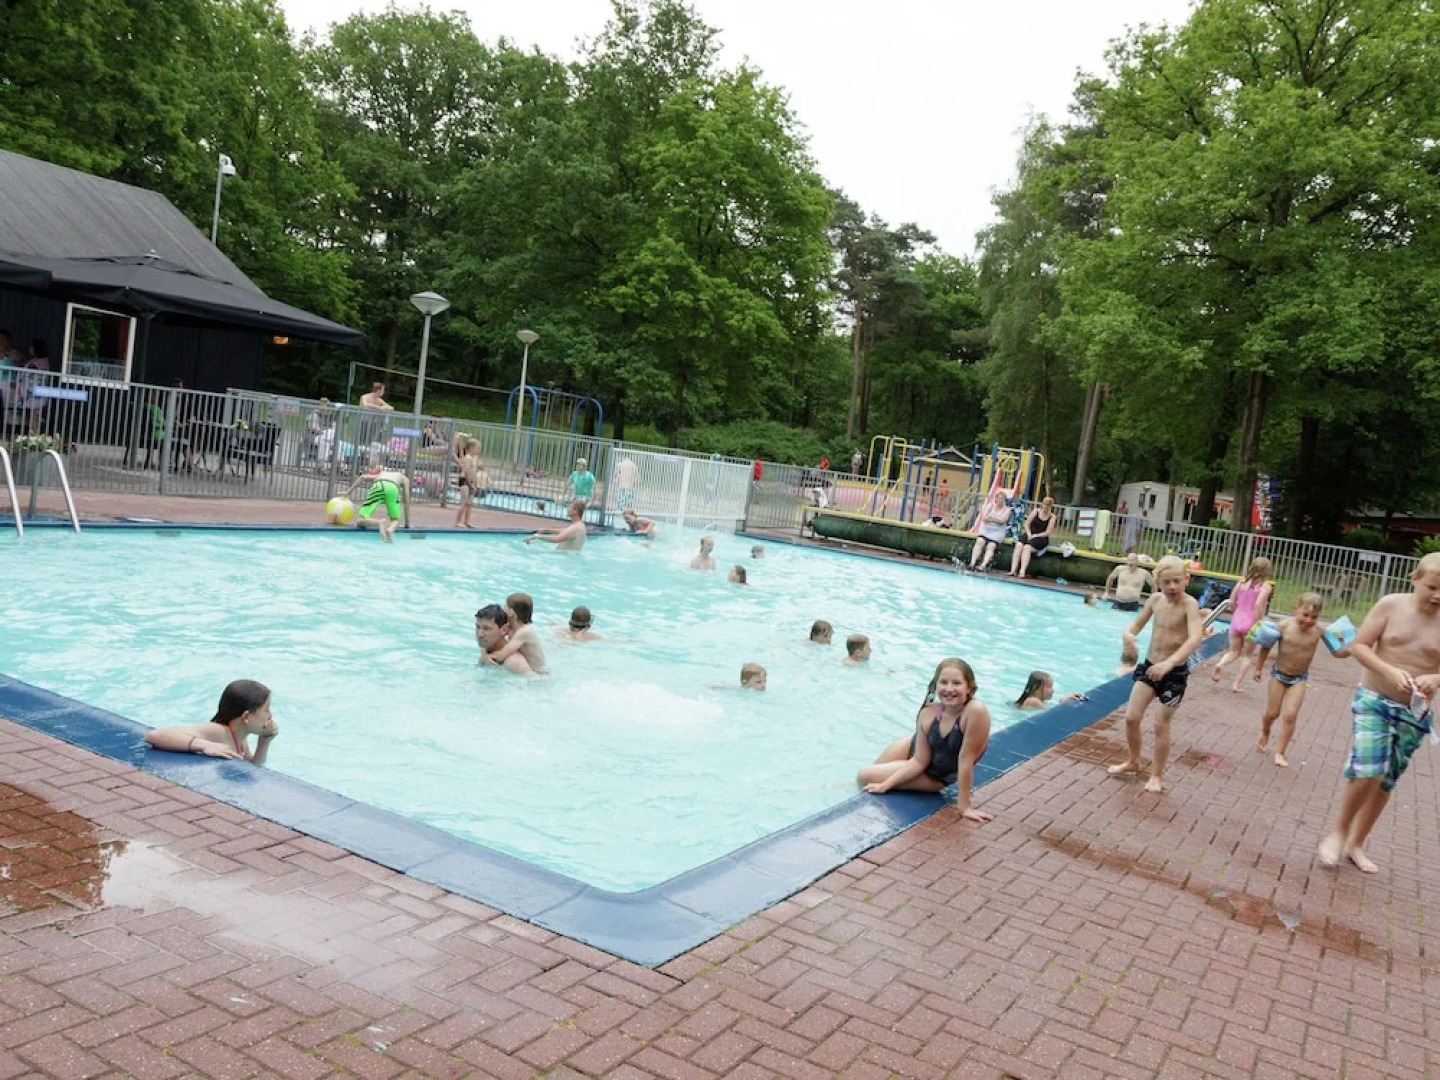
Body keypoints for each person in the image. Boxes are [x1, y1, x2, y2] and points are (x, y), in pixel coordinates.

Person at [1317, 554, 1440, 875]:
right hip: (1375, 697)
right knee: (1370, 765)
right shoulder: (1391, 605)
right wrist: (1388, 670)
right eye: (1432, 587)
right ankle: (1339, 831)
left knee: (1386, 779)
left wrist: (1436, 678)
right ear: (1415, 579)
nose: (1437, 596)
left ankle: (1356, 843)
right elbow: (1360, 646)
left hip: (1415, 710)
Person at [1106, 556, 1204, 792]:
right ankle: (1133, 760)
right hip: (1150, 667)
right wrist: (1127, 636)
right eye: (1166, 582)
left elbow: (1195, 638)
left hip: (1173, 673)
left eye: (1177, 581)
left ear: (1187, 579)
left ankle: (1157, 775)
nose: (1172, 586)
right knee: (1131, 718)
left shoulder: (1189, 605)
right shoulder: (1155, 600)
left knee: (1160, 725)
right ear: (1158, 582)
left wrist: (1169, 663)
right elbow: (1136, 625)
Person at [856, 657, 993, 822]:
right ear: (935, 685)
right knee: (864, 781)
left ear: (969, 687)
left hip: (933, 776)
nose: (949, 689)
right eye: (944, 682)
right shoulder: (928, 712)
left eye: (956, 683)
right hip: (911, 749)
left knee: (865, 775)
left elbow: (965, 760)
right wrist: (885, 786)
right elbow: (920, 760)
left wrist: (964, 807)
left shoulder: (974, 712)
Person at [1254, 593, 1330, 767]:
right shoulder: (1283, 626)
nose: (1309, 620)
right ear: (1296, 609)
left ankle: (1280, 752)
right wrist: (1258, 667)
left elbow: (1338, 649)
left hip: (1300, 678)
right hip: (1279, 675)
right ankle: (1265, 729)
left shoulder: (1319, 631)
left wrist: (1351, 648)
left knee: (1290, 715)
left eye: (1314, 617)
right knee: (1272, 713)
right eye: (1305, 615)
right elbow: (1266, 646)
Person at [144, 680, 279, 764]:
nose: (270, 715)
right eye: (266, 709)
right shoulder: (218, 731)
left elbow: (253, 767)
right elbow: (155, 736)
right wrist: (204, 745)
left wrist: (264, 742)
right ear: (246, 717)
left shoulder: (240, 736)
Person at [1211, 557, 1274, 690]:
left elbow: (1232, 601)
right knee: (1247, 656)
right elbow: (1258, 604)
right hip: (1252, 623)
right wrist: (1260, 621)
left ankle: (1220, 664)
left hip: (1237, 620)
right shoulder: (1265, 587)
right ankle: (1237, 684)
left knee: (1233, 652)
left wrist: (1236, 613)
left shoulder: (1241, 582)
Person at [483, 592, 548, 673]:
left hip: (539, 673)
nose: (503, 610)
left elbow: (501, 656)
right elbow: (488, 638)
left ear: (511, 612)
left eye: (505, 606)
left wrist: (487, 657)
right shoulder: (510, 627)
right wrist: (484, 653)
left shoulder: (524, 632)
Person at [346, 461, 409, 543]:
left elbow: (362, 477)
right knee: (395, 520)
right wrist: (407, 524)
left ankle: (379, 522)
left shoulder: (382, 474)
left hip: (379, 484)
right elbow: (406, 503)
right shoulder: (404, 479)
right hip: (393, 488)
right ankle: (390, 529)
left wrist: (347, 493)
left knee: (360, 521)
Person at [474, 604, 533, 675]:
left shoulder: (514, 662)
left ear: (504, 630)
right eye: (478, 627)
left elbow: (536, 682)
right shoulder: (486, 653)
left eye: (486, 628)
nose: (480, 634)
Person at [1009, 496, 1056, 579]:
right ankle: (1013, 570)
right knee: (1019, 545)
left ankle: (1022, 571)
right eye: (1044, 507)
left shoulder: (1052, 517)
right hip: (1030, 533)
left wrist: (1036, 535)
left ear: (1050, 508)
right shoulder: (1036, 511)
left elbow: (1048, 532)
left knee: (1027, 548)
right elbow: (1026, 524)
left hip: (1041, 537)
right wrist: (1029, 533)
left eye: (1047, 508)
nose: (1045, 509)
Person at [969, 490, 1011, 571]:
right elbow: (984, 518)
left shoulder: (1007, 510)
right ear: (996, 499)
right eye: (999, 498)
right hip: (986, 530)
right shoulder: (990, 506)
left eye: (1002, 499)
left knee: (991, 546)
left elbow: (1002, 521)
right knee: (979, 541)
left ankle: (982, 565)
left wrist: (991, 518)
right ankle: (972, 563)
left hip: (997, 533)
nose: (1000, 500)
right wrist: (996, 519)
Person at [1014, 671, 1085, 709]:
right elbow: (1052, 715)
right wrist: (1063, 701)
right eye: (1049, 687)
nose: (1052, 690)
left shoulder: (1039, 701)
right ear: (1035, 688)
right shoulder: (1033, 701)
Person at [455, 438, 482, 529]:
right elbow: (466, 472)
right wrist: (470, 484)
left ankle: (467, 521)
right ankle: (458, 521)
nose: (478, 451)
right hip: (465, 481)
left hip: (470, 482)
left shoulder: (473, 459)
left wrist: (474, 483)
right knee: (464, 502)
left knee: (469, 503)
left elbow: (473, 472)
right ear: (471, 448)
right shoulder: (467, 458)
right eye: (477, 448)